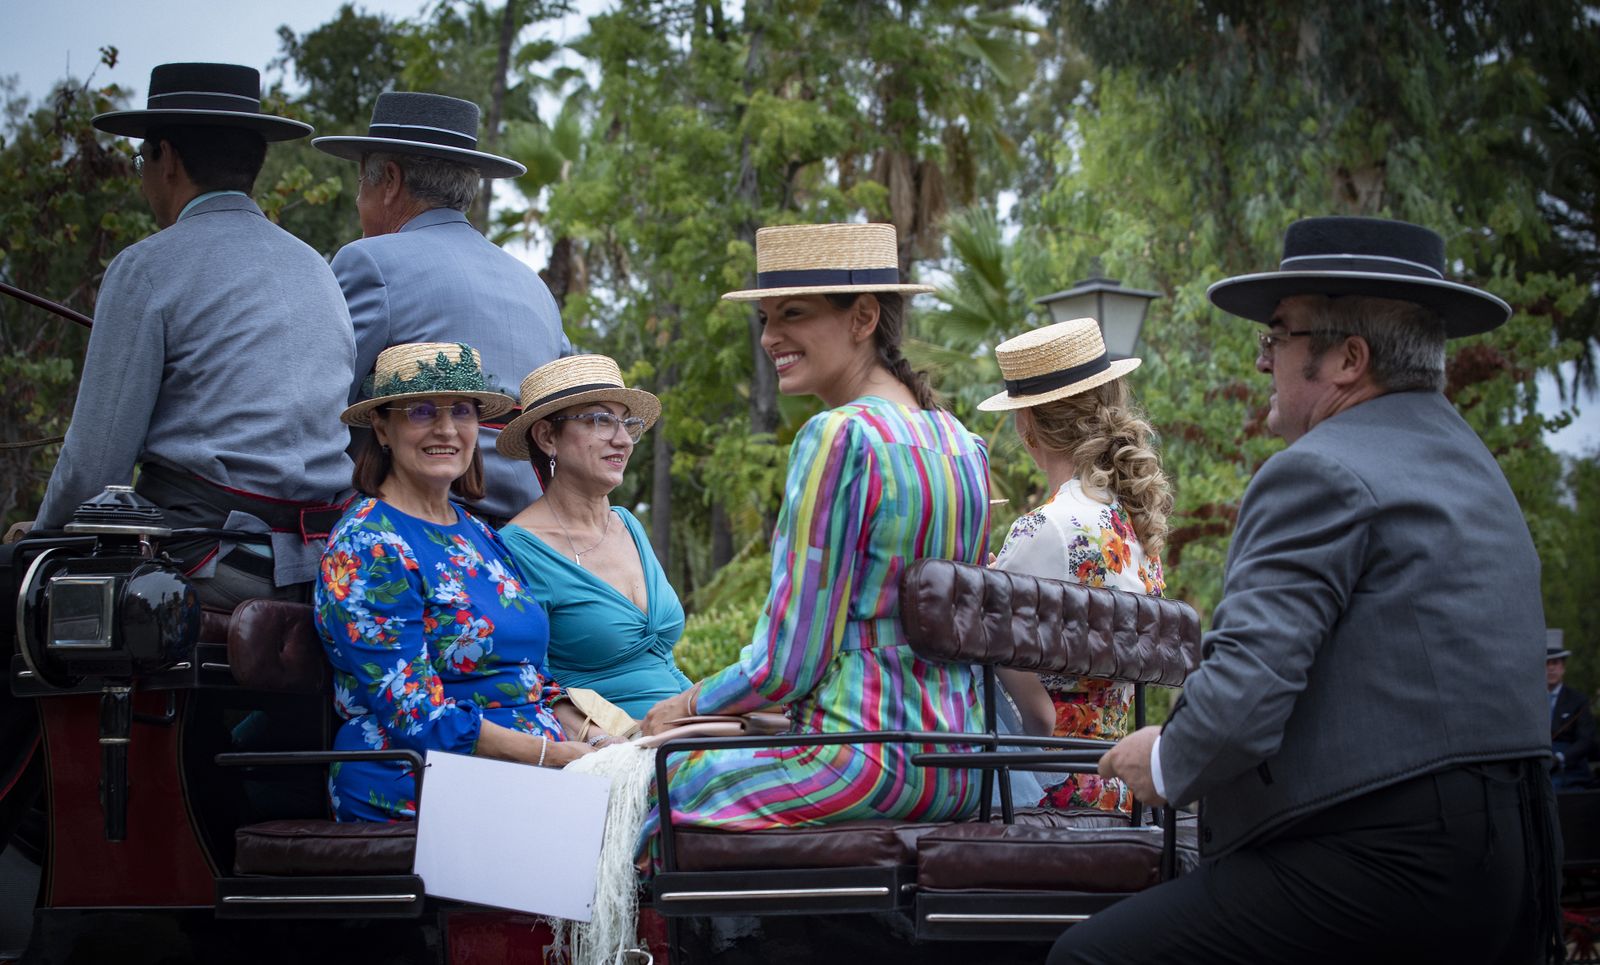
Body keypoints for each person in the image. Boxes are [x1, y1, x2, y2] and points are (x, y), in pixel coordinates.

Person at [1055, 216, 1559, 964]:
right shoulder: (1474, 469)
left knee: (1088, 958)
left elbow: (1248, 689)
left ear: (1348, 358)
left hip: (1387, 863)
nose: (1263, 360)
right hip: (1514, 861)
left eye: (1278, 335)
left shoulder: (1317, 469)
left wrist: (1163, 762)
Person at [637, 222, 991, 834]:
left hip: (862, 759)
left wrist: (685, 704)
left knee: (655, 782)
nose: (771, 337)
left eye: (793, 314)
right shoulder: (963, 443)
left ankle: (626, 935)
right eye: (767, 318)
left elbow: (787, 664)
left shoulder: (840, 435)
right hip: (959, 765)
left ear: (863, 318)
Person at [16, 62, 355, 608]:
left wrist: (35, 542)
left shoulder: (147, 267)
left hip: (206, 558)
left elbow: (94, 469)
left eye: (140, 160)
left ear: (166, 158)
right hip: (317, 563)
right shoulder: (318, 267)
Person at [316, 342, 606, 822]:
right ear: (383, 429)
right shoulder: (369, 546)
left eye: (462, 412)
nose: (446, 428)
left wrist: (594, 738)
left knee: (670, 784)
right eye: (422, 411)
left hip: (536, 768)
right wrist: (553, 758)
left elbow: (536, 678)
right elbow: (416, 715)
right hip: (423, 775)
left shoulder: (480, 535)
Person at [314, 92, 571, 525]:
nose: (361, 203)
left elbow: (321, 406)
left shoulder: (369, 261)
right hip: (530, 530)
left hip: (416, 521)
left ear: (390, 180)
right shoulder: (533, 285)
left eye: (363, 184)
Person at [977, 317, 1171, 812]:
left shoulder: (1047, 528)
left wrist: (982, 582)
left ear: (1028, 428)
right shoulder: (1133, 529)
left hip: (1048, 787)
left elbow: (993, 656)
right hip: (1119, 786)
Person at [497, 355, 691, 720]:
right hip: (604, 749)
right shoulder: (517, 549)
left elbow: (664, 665)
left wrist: (711, 713)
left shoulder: (627, 524)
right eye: (600, 421)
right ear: (547, 436)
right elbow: (531, 686)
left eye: (627, 423)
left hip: (675, 735)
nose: (622, 440)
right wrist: (615, 744)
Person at [1549, 629, 1595, 789]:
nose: (1551, 669)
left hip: (1570, 771)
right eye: (1546, 664)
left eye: (1555, 663)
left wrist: (1560, 758)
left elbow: (1586, 740)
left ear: (1563, 667)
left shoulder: (1578, 700)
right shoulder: (1531, 702)